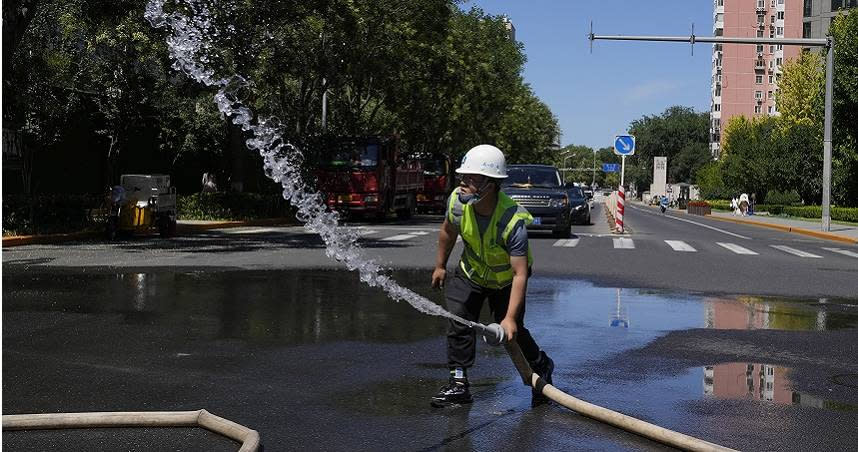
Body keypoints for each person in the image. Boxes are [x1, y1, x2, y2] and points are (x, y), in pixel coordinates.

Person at [430, 144, 554, 408]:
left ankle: (540, 366)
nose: (463, 184)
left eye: (472, 179)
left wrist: (508, 319)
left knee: (513, 331)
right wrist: (440, 265)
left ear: (492, 184)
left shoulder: (511, 220)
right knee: (459, 319)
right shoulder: (457, 203)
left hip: (507, 280)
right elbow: (447, 233)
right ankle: (458, 383)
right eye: (463, 177)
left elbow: (520, 273)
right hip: (471, 272)